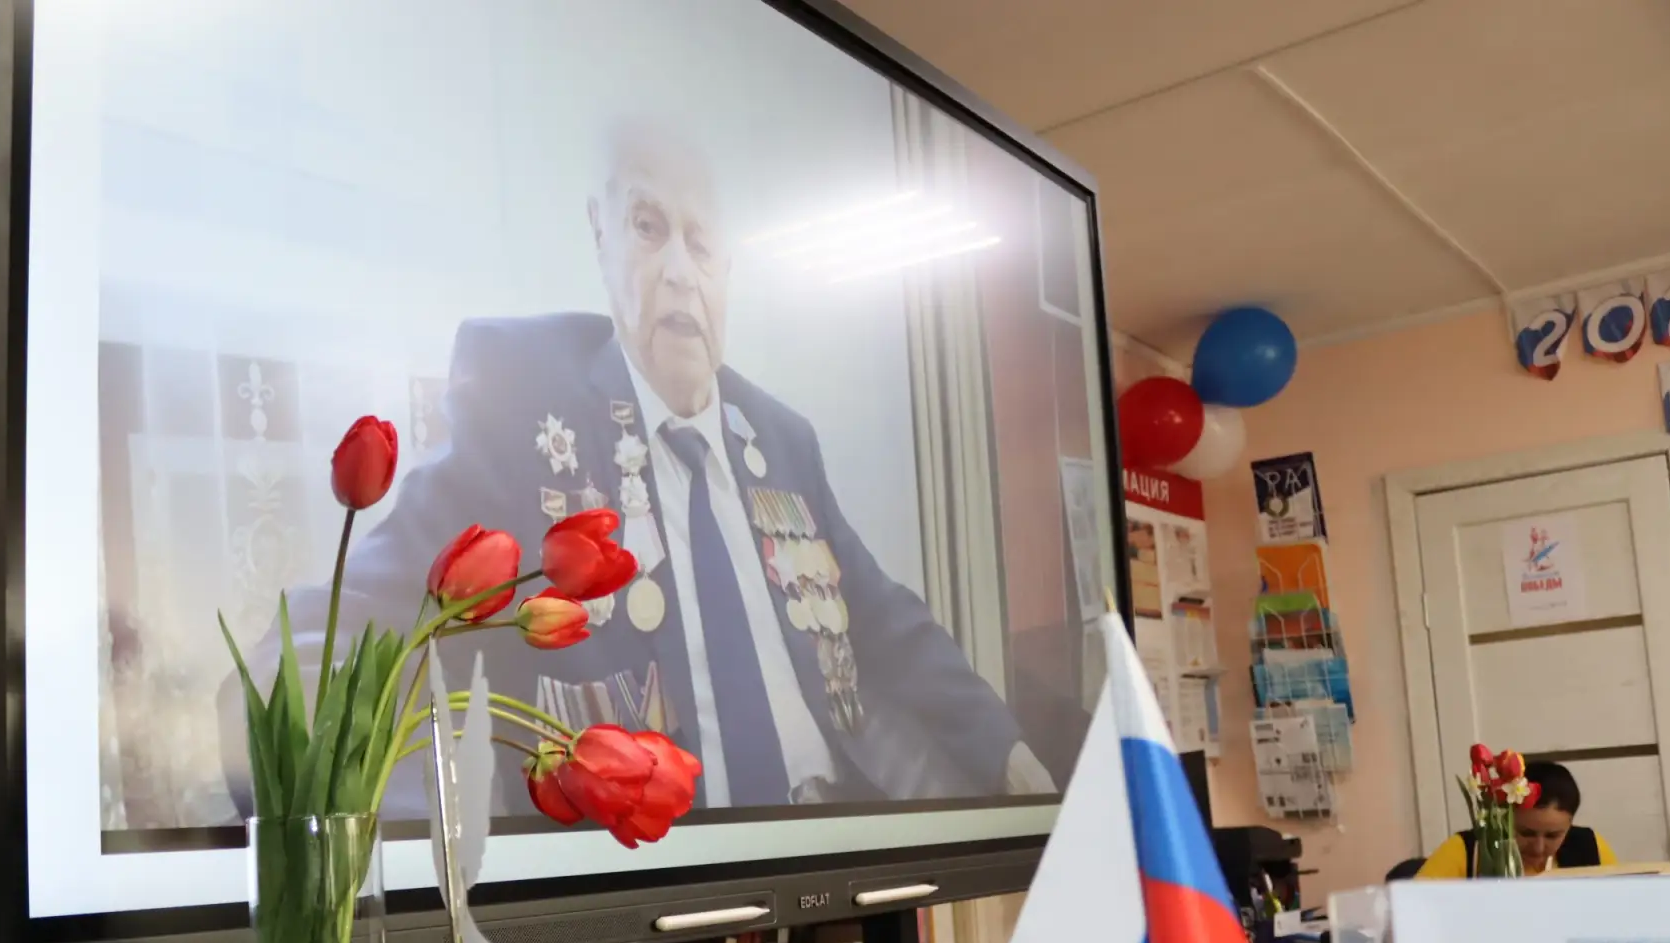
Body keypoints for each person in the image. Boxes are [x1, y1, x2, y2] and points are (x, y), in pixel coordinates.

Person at [224, 117, 1054, 816]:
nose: (680, 273)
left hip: (825, 834)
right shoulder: (524, 397)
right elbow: (373, 609)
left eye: (702, 242)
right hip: (653, 868)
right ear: (601, 234)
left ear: (728, 269)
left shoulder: (782, 438)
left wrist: (1007, 750)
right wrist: (307, 758)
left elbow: (882, 617)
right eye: (649, 228)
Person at [1415, 761, 1617, 878]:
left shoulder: (1591, 848)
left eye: (1553, 836)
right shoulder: (1467, 850)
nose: (1538, 848)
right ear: (1505, 818)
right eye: (1526, 833)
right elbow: (1412, 913)